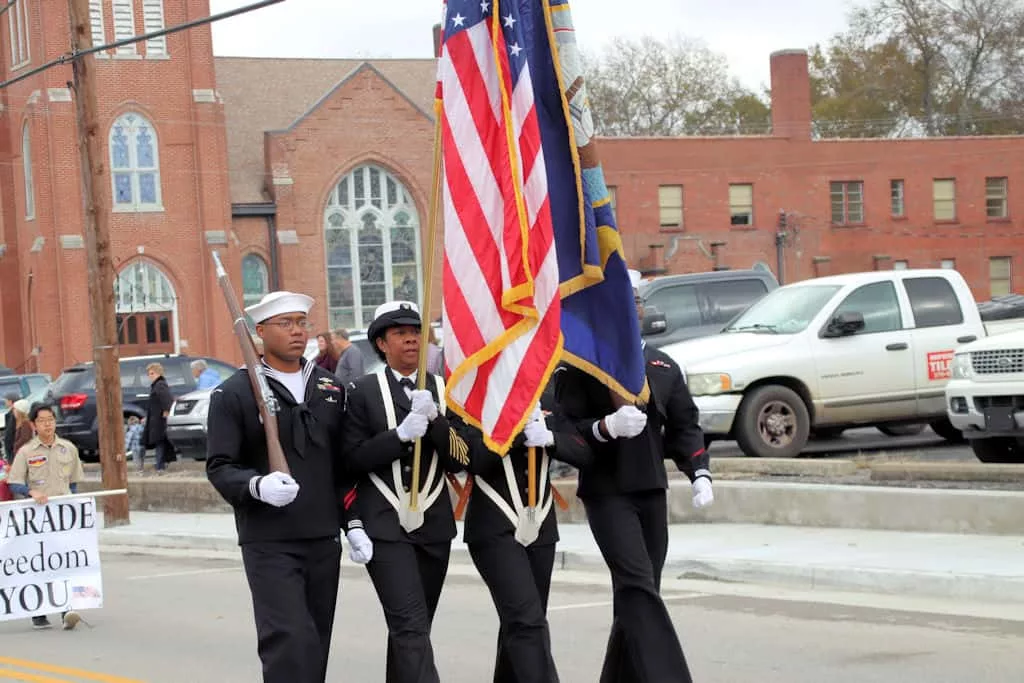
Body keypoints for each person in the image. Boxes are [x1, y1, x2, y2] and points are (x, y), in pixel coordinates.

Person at [553, 269, 714, 683]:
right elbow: (566, 429)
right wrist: (604, 427)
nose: (630, 311)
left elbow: (685, 425)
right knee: (637, 584)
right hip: (607, 492)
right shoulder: (584, 367)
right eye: (621, 305)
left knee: (640, 593)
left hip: (650, 490)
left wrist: (698, 472)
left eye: (635, 304)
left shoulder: (661, 364)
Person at [206, 290, 373, 683]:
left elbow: (343, 465)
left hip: (321, 536)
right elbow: (220, 467)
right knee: (288, 642)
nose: (297, 332)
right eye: (286, 324)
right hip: (270, 539)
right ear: (259, 331)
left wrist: (354, 522)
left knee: (316, 641)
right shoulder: (235, 392)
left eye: (302, 323)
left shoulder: (330, 388)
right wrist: (257, 485)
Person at [340, 300, 471, 683]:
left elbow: (461, 459)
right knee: (410, 625)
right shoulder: (362, 391)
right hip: (385, 524)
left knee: (414, 630)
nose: (411, 339)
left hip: (433, 525)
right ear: (381, 343)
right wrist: (397, 436)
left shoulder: (445, 391)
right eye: (400, 333)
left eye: (416, 332)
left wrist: (435, 421)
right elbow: (350, 459)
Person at [460, 383, 593, 683]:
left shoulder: (545, 399)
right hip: (493, 526)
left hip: (541, 526)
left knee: (522, 625)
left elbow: (584, 453)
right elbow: (472, 459)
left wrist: (551, 438)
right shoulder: (476, 398)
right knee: (526, 622)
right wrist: (517, 430)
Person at [7, 403, 85, 631]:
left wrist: (77, 509)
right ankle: (38, 613)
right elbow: (15, 482)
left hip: (62, 516)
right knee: (40, 563)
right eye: (42, 420)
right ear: (33, 424)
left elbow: (73, 483)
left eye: (50, 419)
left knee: (64, 561)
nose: (47, 424)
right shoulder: (27, 452)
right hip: (36, 517)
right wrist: (31, 492)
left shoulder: (68, 449)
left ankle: (66, 610)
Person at [143, 363, 176, 472]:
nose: (150, 376)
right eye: (149, 374)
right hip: (156, 418)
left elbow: (166, 398)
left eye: (152, 373)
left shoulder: (160, 384)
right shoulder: (158, 384)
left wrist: (166, 411)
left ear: (158, 373)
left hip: (159, 419)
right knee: (161, 442)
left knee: (160, 441)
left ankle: (160, 465)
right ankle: (161, 464)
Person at [3, 391, 18, 462]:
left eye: (6, 400)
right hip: (12, 450)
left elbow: (10, 434)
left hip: (13, 450)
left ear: (11, 401)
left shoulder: (14, 415)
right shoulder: (10, 414)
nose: (5, 402)